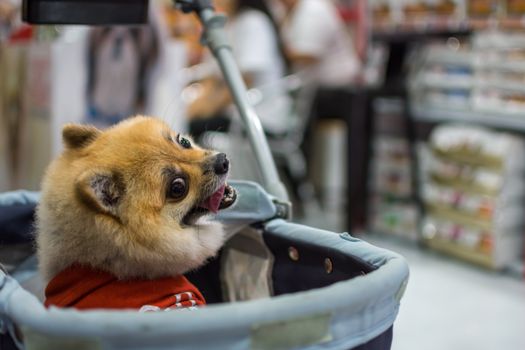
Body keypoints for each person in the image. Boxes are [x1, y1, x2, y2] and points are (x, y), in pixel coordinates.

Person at [186, 0, 292, 139]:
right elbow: (212, 77)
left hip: (258, 116)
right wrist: (196, 107)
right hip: (232, 113)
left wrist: (207, 109)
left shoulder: (253, 22)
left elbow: (244, 81)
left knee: (190, 129)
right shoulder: (226, 24)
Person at [276, 0, 361, 88]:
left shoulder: (313, 11)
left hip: (337, 86)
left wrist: (278, 51)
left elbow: (309, 56)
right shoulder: (293, 10)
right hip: (321, 85)